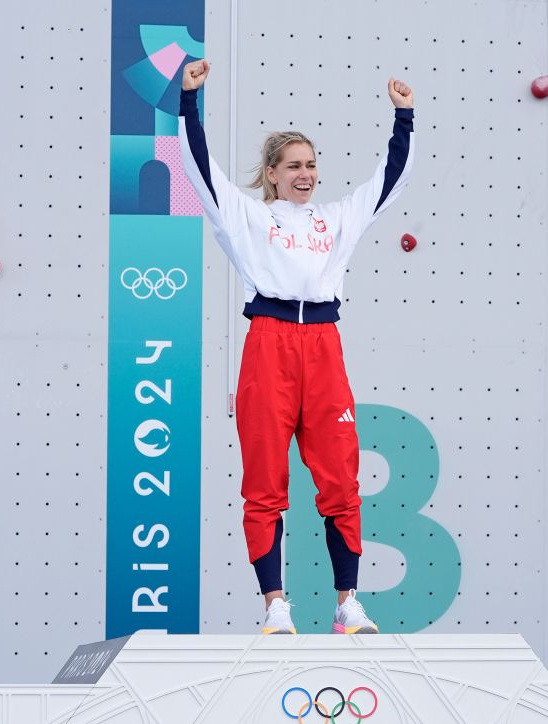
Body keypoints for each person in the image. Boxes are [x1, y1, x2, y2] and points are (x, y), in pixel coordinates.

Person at [178, 59, 414, 635]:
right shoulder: (246, 217)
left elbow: (388, 178)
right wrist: (189, 103)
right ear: (272, 173)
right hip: (269, 342)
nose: (305, 174)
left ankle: (346, 603)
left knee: (340, 477)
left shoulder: (336, 219)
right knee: (263, 482)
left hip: (324, 346)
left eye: (311, 165)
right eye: (293, 166)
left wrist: (403, 117)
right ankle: (274, 604)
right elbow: (198, 168)